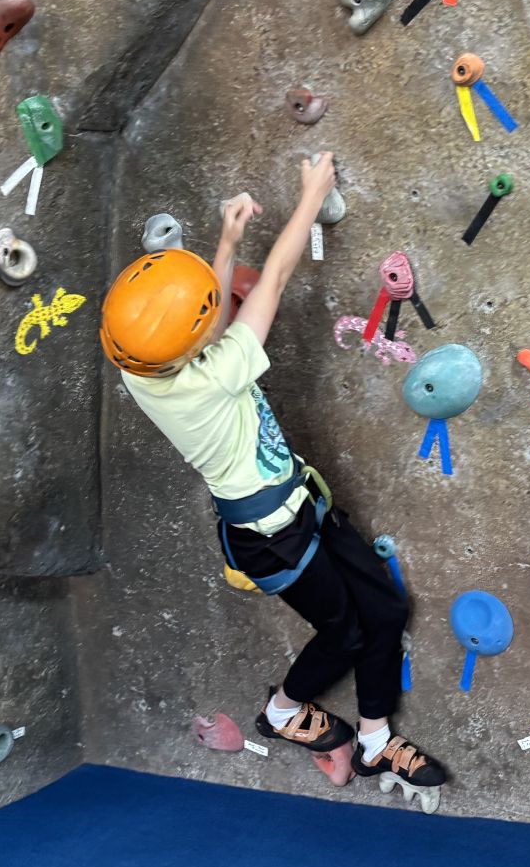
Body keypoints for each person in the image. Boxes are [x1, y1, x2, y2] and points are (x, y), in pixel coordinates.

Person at [99, 153, 446, 805]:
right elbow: (276, 277)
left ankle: (374, 740)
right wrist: (311, 195)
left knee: (387, 608)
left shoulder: (142, 368)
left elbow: (200, 323)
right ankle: (283, 712)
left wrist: (226, 243)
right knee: (343, 631)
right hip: (272, 539)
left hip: (297, 503)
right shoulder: (214, 375)